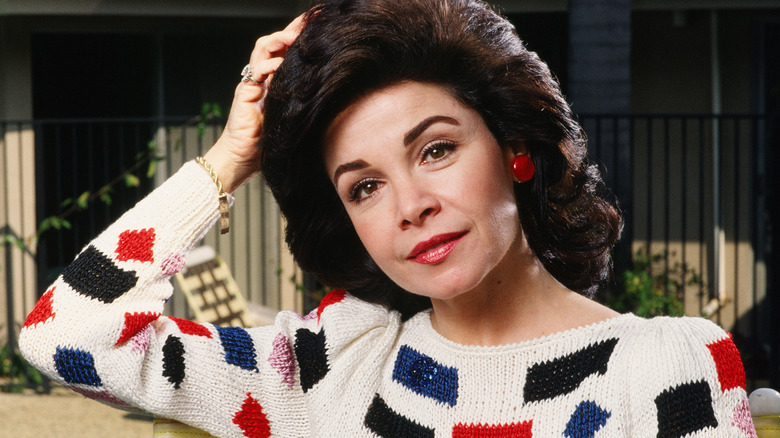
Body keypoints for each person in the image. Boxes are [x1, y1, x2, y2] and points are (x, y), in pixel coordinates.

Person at [20, 0, 756, 437]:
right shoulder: (335, 366)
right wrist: (227, 161)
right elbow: (67, 335)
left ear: (516, 150)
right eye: (363, 187)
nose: (410, 206)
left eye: (435, 149)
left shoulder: (663, 365)